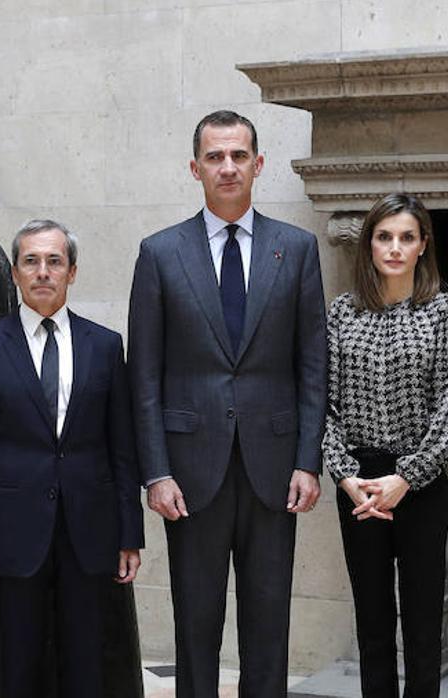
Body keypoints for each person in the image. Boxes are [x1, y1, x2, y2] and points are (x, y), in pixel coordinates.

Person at [128, 109, 327, 697]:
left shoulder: (297, 249)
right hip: (189, 474)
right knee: (196, 622)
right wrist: (156, 471)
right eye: (215, 156)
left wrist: (308, 460)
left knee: (269, 622)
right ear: (195, 168)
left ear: (258, 164)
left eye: (239, 155)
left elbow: (312, 366)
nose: (228, 166)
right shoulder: (160, 253)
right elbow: (144, 375)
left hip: (274, 467)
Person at [0, 219, 142, 698]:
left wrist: (129, 532)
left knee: (86, 663)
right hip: (12, 531)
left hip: (89, 529)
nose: (42, 272)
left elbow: (122, 448)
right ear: (15, 274)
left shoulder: (105, 346)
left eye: (54, 261)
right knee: (20, 662)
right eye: (31, 262)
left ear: (72, 272)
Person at [322, 193, 448, 698]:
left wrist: (407, 477)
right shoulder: (343, 313)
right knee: (373, 621)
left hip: (420, 485)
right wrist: (345, 476)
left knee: (423, 622)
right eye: (384, 237)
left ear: (423, 245)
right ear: (369, 245)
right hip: (359, 485)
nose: (395, 247)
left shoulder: (445, 311)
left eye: (407, 237)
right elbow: (325, 405)